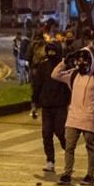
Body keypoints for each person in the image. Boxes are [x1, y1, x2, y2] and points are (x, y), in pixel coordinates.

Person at [51, 48, 94, 186]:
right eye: (79, 59)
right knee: (69, 146)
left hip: (89, 117)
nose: (81, 62)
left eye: (84, 59)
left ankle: (90, 175)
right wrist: (65, 61)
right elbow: (55, 74)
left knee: (90, 146)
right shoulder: (73, 74)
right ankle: (67, 173)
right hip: (73, 117)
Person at [32, 42, 70, 172]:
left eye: (54, 51)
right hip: (47, 106)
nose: (51, 54)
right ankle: (50, 160)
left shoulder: (64, 67)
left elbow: (69, 87)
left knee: (60, 132)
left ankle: (69, 155)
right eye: (49, 51)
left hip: (60, 105)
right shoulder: (43, 67)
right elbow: (37, 86)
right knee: (46, 133)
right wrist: (34, 104)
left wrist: (70, 103)